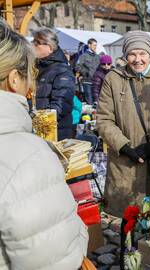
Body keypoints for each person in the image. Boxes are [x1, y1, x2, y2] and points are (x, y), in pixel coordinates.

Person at [0, 19, 88, 269]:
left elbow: (61, 103)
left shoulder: (61, 71)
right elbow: (59, 257)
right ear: (15, 79)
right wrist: (79, 231)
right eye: (29, 76)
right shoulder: (27, 156)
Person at [97, 31, 150, 217]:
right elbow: (104, 118)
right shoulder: (113, 79)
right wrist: (124, 146)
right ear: (125, 55)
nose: (137, 59)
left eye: (142, 53)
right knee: (126, 219)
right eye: (132, 54)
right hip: (124, 162)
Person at [32, 27, 76, 140]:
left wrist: (37, 122)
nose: (33, 44)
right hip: (37, 131)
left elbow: (60, 106)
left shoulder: (62, 71)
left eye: (37, 42)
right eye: (33, 41)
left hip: (54, 132)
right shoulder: (36, 67)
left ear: (50, 47)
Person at [76, 38, 100, 105]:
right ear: (89, 45)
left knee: (97, 102)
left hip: (96, 82)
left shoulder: (98, 56)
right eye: (94, 45)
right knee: (90, 102)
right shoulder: (83, 56)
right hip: (87, 82)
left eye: (96, 45)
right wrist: (85, 72)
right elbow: (77, 66)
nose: (95, 47)